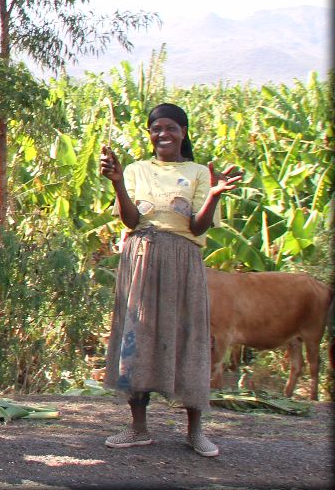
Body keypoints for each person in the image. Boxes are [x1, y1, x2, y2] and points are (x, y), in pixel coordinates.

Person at [99, 103, 241, 458]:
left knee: (189, 337)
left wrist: (213, 195)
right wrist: (117, 183)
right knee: (137, 335)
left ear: (184, 131)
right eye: (155, 128)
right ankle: (137, 428)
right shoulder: (135, 170)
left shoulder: (198, 172)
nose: (162, 134)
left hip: (183, 261)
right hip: (142, 257)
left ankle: (195, 432)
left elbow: (198, 227)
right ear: (149, 134)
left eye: (170, 128)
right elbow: (131, 221)